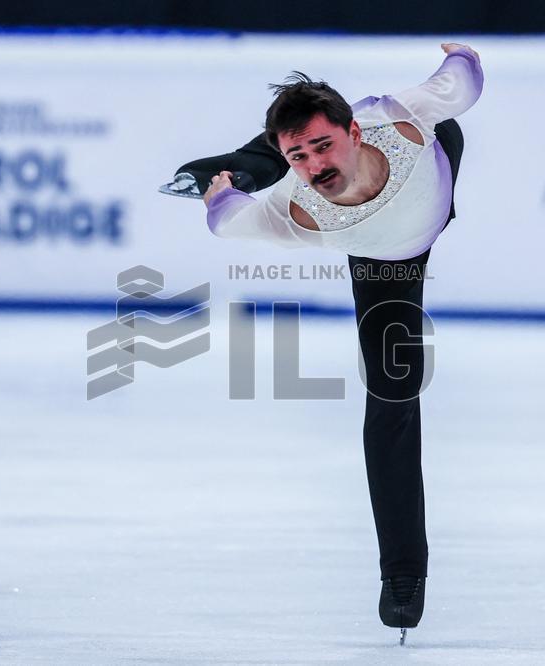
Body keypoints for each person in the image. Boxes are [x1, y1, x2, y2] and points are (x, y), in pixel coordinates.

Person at [161, 43, 483, 639]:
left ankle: (266, 153)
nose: (314, 165)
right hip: (384, 257)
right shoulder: (296, 210)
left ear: (355, 132)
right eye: (300, 157)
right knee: (394, 390)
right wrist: (221, 194)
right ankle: (403, 574)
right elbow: (228, 222)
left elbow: (461, 82)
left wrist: (461, 52)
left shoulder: (403, 119)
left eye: (322, 146)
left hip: (434, 163)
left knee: (343, 135)